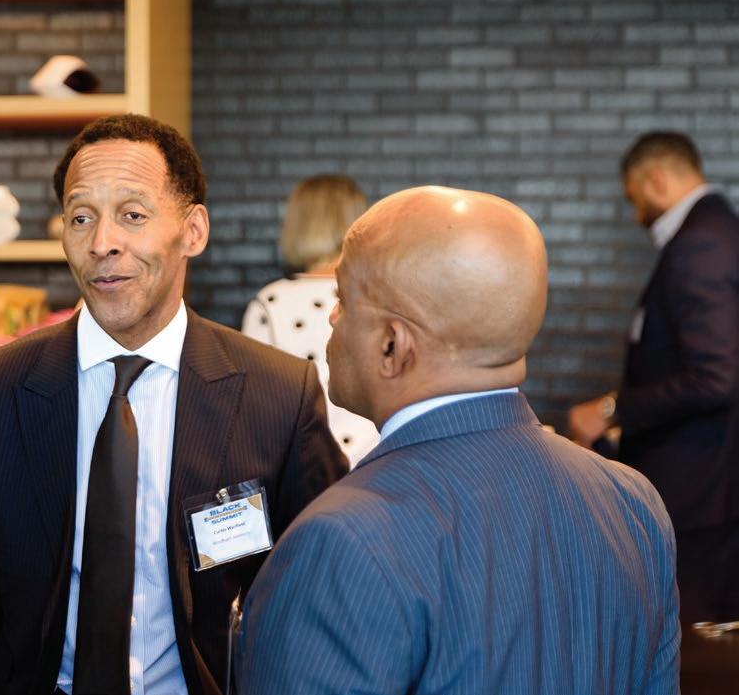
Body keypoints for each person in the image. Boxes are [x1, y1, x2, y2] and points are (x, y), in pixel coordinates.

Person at [0, 114, 347, 695]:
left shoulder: (278, 394)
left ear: (193, 231)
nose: (102, 243)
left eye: (132, 215)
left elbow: (318, 579)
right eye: (81, 217)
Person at [238, 186, 679, 694]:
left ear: (392, 344)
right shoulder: (632, 501)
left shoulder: (339, 540)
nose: (332, 317)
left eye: (343, 298)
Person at [568, 131, 739, 623]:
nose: (637, 213)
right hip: (711, 481)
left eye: (635, 198)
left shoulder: (700, 243)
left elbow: (716, 376)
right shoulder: (719, 229)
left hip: (700, 489)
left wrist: (612, 409)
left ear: (657, 179)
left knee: (689, 637)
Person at [242, 174, 380, 464]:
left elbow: (254, 408)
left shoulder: (271, 302)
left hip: (305, 469)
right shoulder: (382, 293)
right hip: (381, 463)